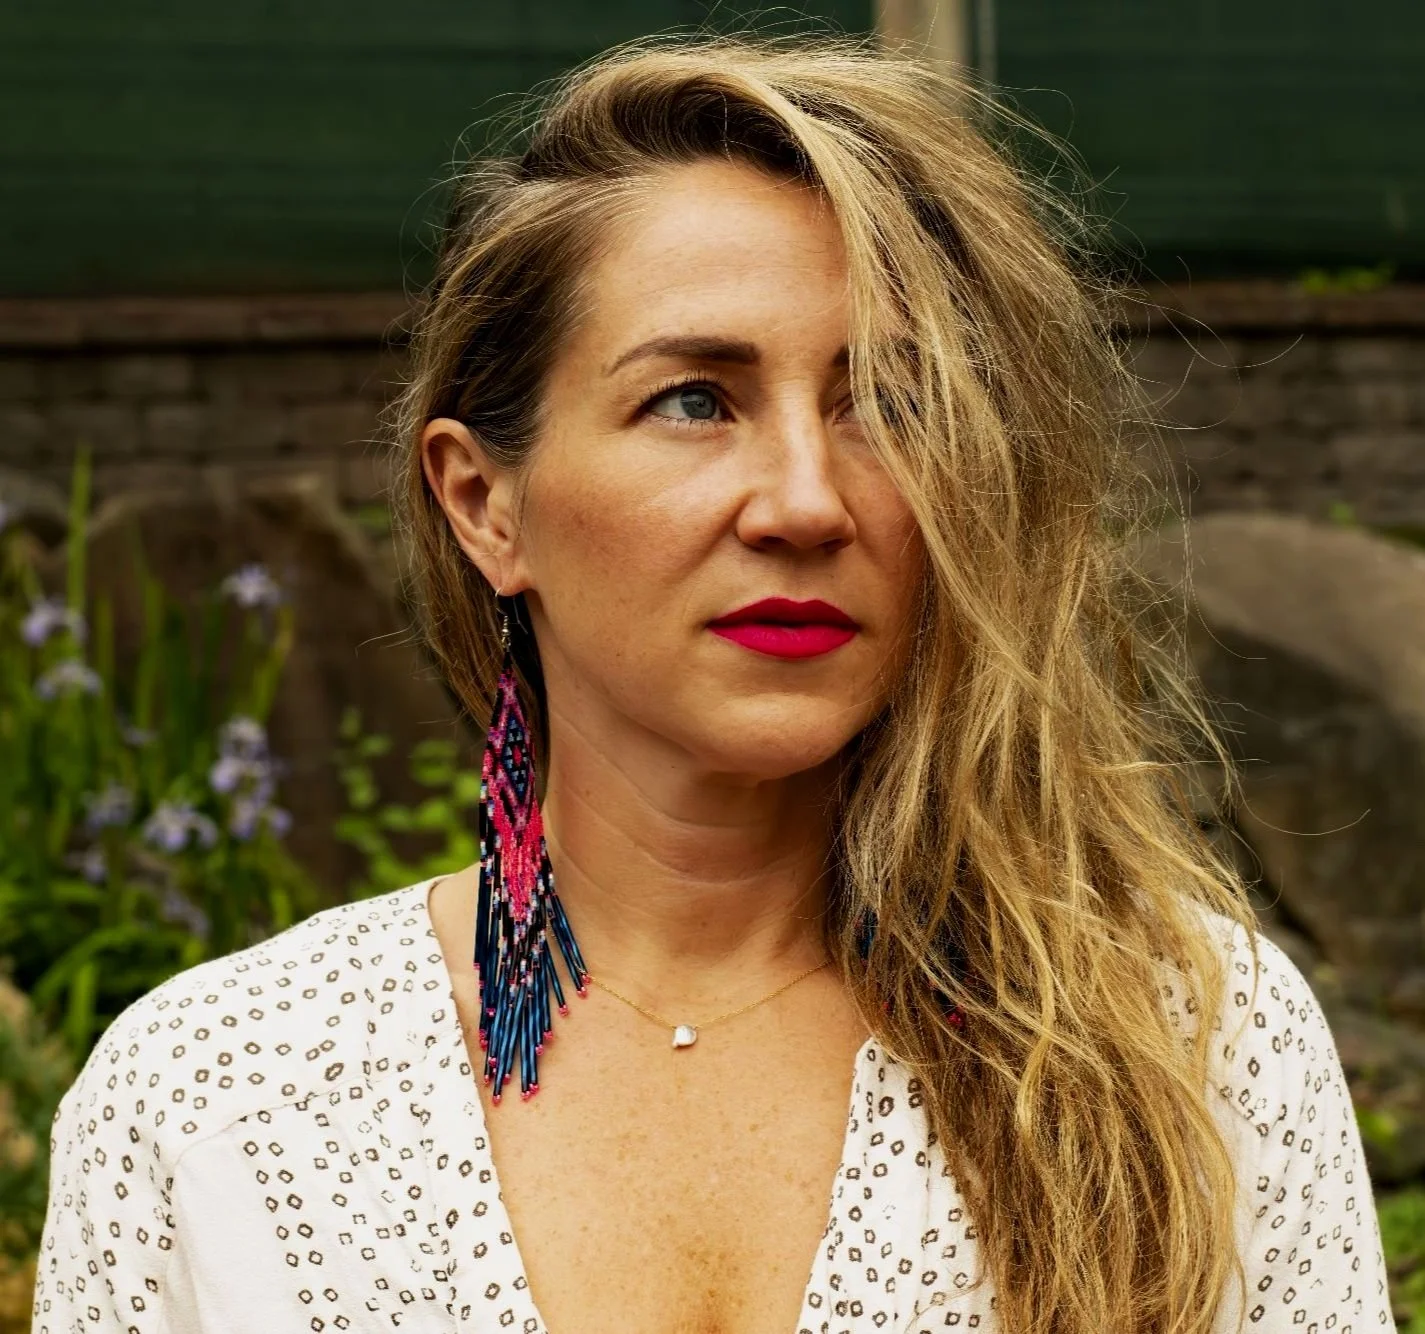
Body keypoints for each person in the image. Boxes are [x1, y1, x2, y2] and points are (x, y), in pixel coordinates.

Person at [33, 32, 1394, 1334]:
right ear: (483, 502)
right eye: (695, 398)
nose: (808, 501)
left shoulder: (1185, 1049)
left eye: (890, 402)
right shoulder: (216, 1105)